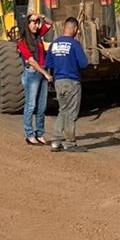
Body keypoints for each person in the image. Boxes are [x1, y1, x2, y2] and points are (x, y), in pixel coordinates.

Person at [46, 17, 89, 152]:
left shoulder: (54, 44)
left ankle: (55, 140)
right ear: (75, 29)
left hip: (58, 82)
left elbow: (49, 63)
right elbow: (84, 63)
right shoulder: (75, 44)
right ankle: (69, 142)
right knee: (71, 113)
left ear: (64, 27)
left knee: (63, 111)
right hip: (72, 82)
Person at [17, 12, 54, 145]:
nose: (36, 25)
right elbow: (31, 61)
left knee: (41, 106)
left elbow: (50, 23)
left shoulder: (38, 36)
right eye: (33, 22)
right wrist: (46, 73)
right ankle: (29, 134)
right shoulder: (22, 42)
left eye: (37, 22)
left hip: (41, 72)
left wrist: (41, 16)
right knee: (31, 105)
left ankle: (40, 133)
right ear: (27, 24)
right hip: (32, 74)